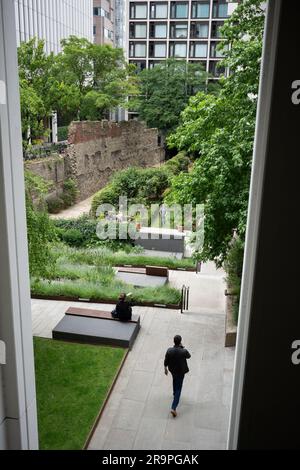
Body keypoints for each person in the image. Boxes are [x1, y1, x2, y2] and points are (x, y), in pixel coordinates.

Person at [164, 335, 191, 418]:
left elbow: (166, 360)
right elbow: (189, 356)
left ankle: (174, 393)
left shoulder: (169, 350)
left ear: (173, 341)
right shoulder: (183, 351)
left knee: (174, 380)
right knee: (179, 387)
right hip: (180, 372)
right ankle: (173, 408)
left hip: (172, 370)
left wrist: (165, 368)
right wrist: (182, 348)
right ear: (180, 342)